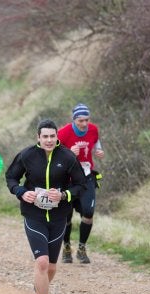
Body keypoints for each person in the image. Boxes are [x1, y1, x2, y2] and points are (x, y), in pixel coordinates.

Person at [5, 119, 86, 294]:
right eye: (45, 136)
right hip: (34, 216)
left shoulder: (67, 157)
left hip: (59, 217)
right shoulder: (27, 155)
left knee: (51, 266)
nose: (49, 140)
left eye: (52, 136)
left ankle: (39, 291)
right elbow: (11, 178)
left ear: (56, 137)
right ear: (38, 138)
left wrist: (64, 194)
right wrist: (22, 192)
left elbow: (80, 185)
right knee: (41, 262)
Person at [58, 103, 105, 264]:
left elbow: (96, 140)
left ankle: (82, 248)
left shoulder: (93, 129)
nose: (84, 124)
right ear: (74, 120)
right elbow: (53, 154)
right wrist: (68, 153)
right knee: (66, 215)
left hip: (86, 176)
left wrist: (99, 150)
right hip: (67, 179)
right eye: (80, 121)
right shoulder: (63, 133)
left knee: (89, 212)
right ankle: (66, 247)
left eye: (86, 120)